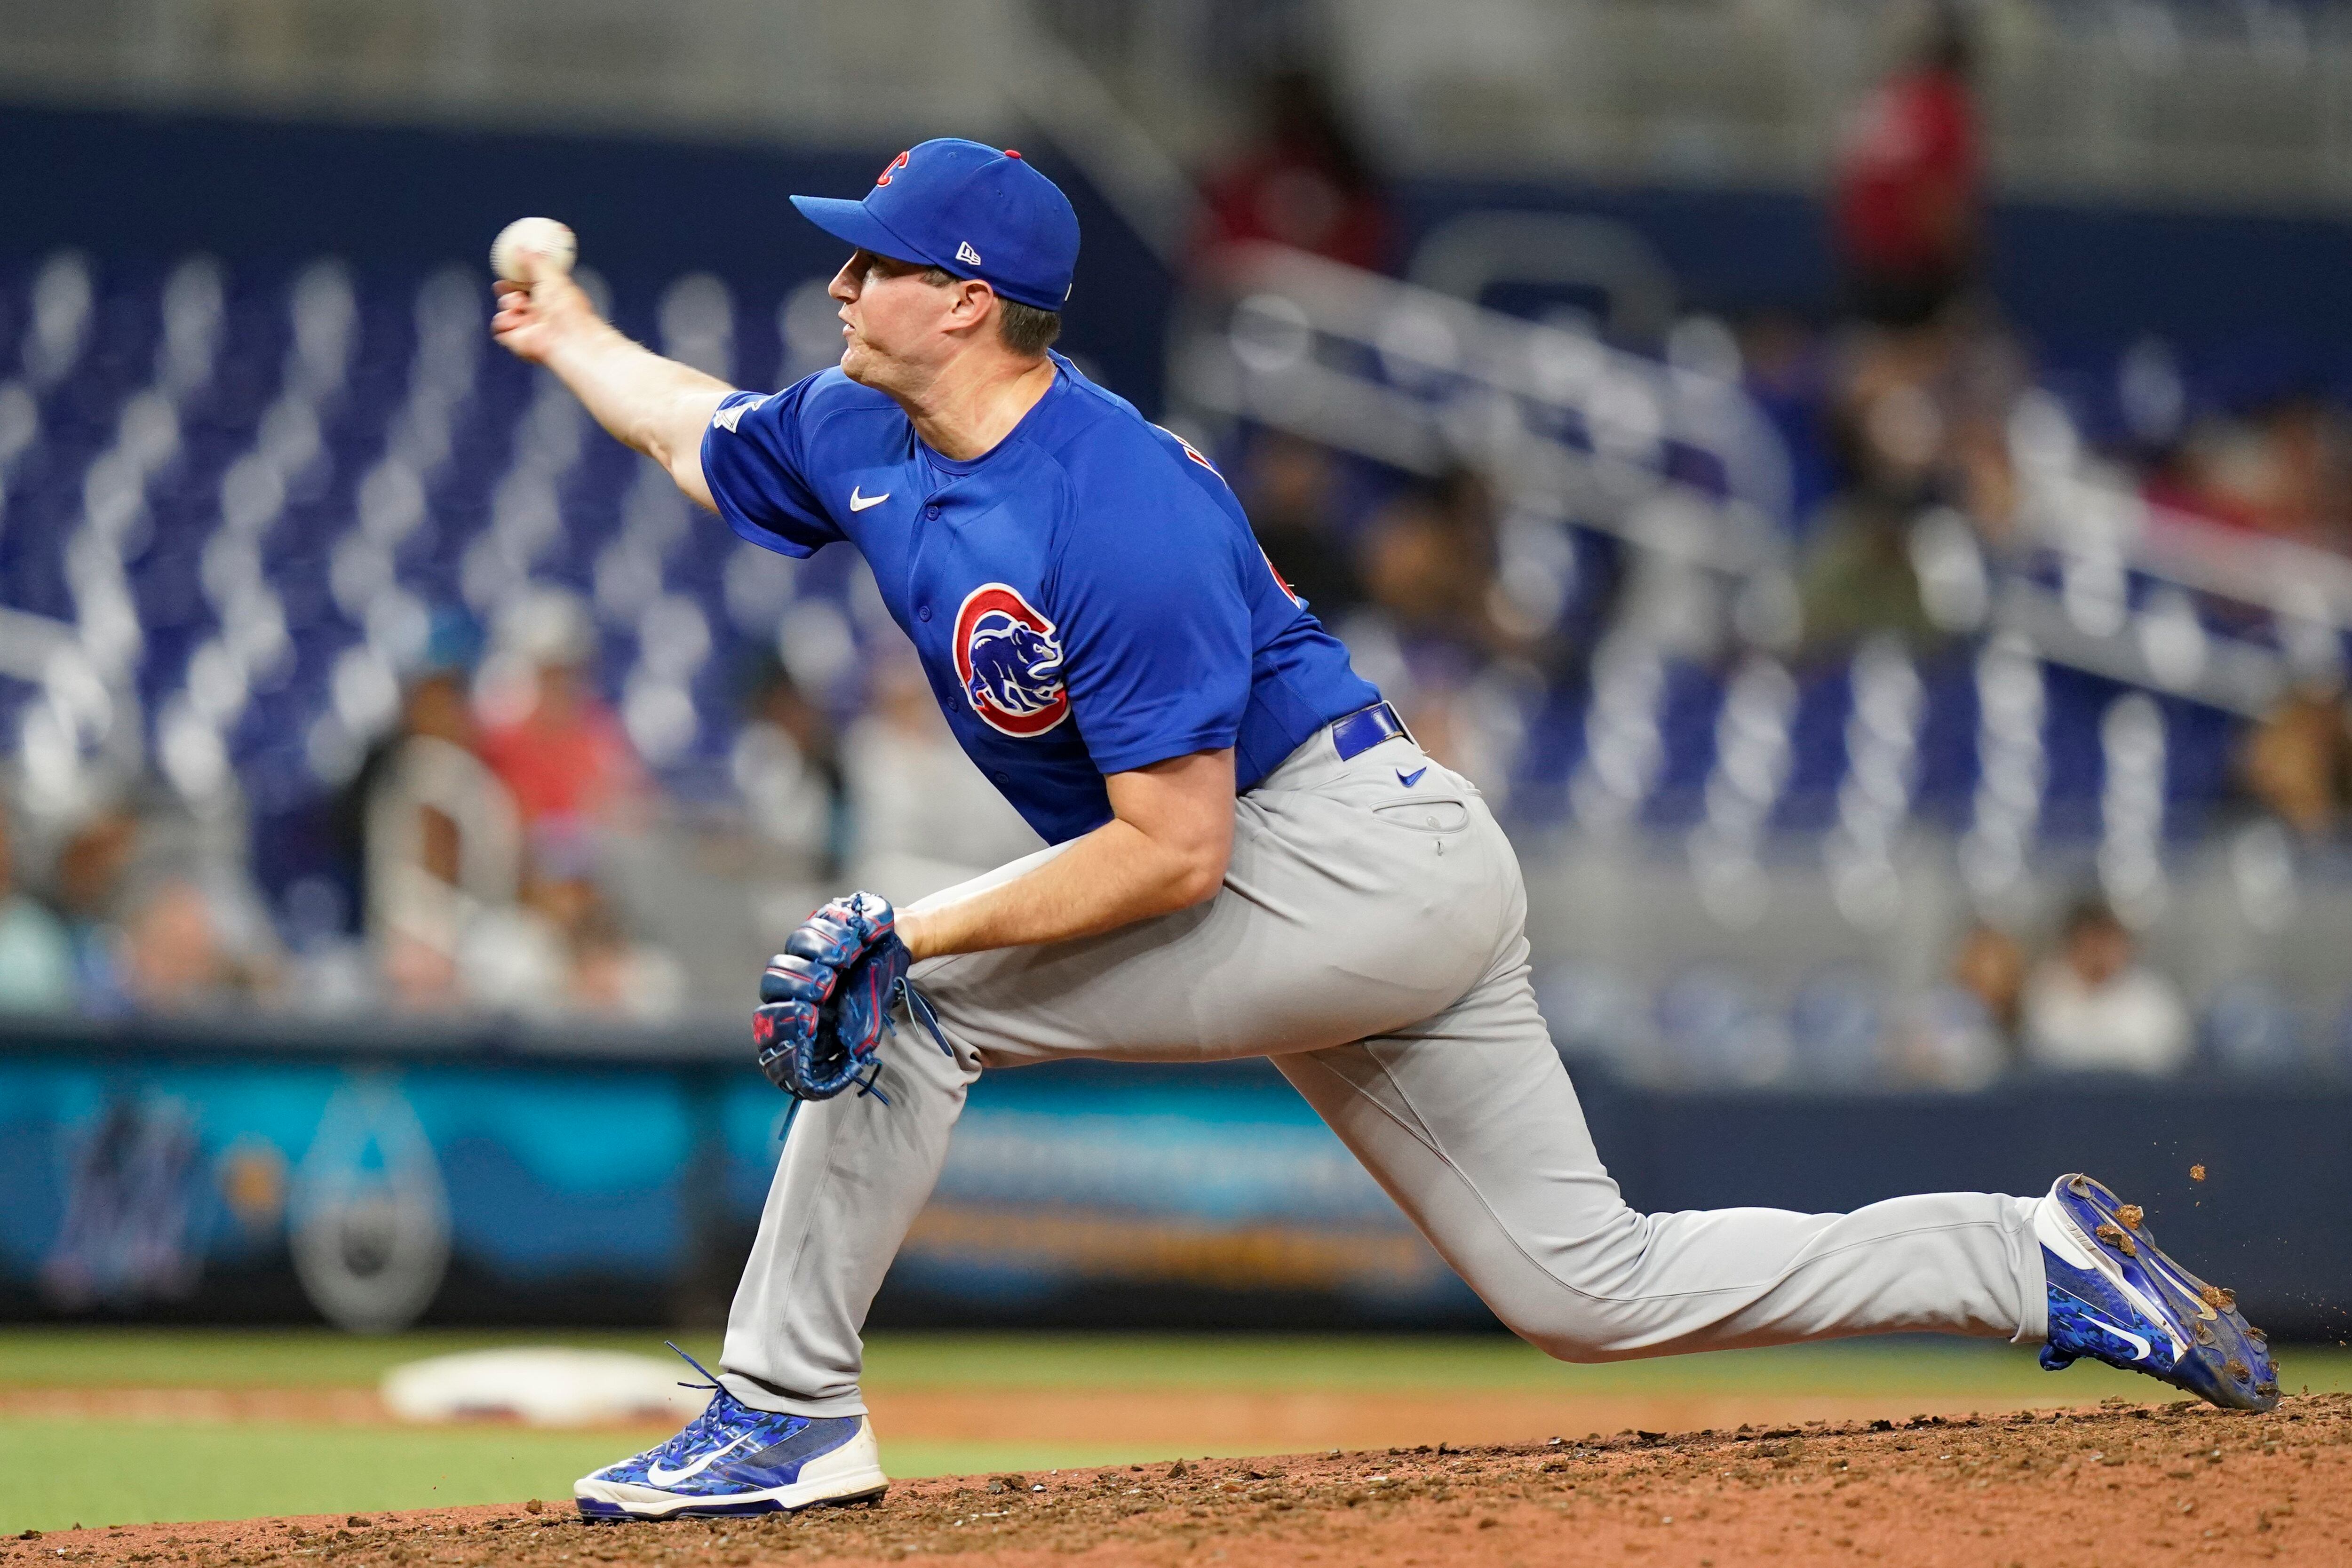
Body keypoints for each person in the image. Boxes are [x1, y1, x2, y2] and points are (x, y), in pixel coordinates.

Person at [487, 139, 2277, 1522]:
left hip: (1340, 854)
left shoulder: (1114, 506)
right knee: (1586, 1288)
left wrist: (915, 927)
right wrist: (568, 333)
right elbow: (697, 432)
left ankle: (784, 1413)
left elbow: (1173, 854)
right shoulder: (855, 428)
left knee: (915, 1003)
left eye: (874, 257)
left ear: (964, 301)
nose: (838, 277)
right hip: (1343, 867)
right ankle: (2021, 1256)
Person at [2021, 898, 2192, 1077]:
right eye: (2089, 943)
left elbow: (2162, 1056)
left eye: (2107, 943)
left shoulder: (2154, 998)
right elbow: (2048, 1050)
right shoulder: (2046, 990)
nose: (2097, 954)